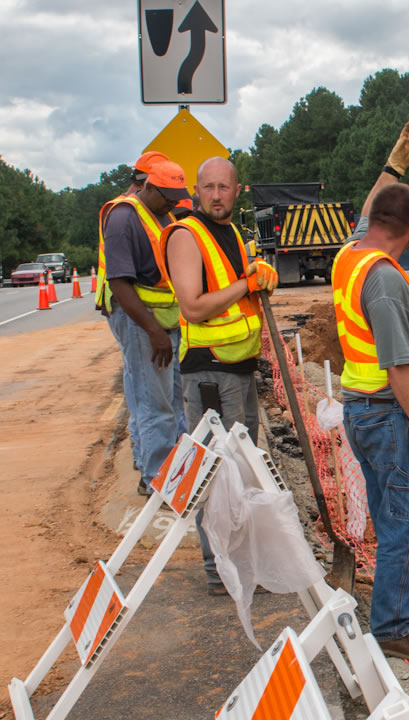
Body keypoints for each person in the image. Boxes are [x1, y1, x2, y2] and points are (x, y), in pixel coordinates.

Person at [331, 122, 409, 662]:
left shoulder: (350, 255)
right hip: (392, 418)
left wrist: (393, 166)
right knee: (408, 521)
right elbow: (401, 367)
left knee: (394, 516)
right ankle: (396, 626)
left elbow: (367, 213)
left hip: (365, 413)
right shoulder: (382, 280)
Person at [163, 157, 279, 595]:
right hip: (208, 372)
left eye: (223, 187)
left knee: (241, 472)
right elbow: (192, 306)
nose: (215, 195)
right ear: (196, 190)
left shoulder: (231, 233)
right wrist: (246, 285)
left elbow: (239, 295)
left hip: (240, 368)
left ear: (237, 191)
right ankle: (220, 574)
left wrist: (259, 278)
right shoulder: (186, 236)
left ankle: (241, 569)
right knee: (217, 473)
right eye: (207, 187)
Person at [98, 160, 189, 495]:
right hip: (140, 319)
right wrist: (154, 332)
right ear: (149, 187)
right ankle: (156, 481)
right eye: (167, 196)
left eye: (177, 198)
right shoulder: (124, 218)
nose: (172, 204)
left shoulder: (162, 214)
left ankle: (167, 469)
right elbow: (120, 284)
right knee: (155, 403)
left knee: (171, 399)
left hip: (164, 318)